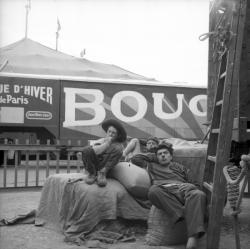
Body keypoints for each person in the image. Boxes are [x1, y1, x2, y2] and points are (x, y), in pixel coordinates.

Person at [131, 142, 206, 249]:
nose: (163, 155)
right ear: (155, 157)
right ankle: (182, 214)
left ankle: (192, 237)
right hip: (163, 190)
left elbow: (196, 185)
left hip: (182, 189)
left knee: (199, 194)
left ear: (171, 156)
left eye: (165, 153)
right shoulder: (152, 166)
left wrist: (191, 186)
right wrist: (154, 155)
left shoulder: (181, 168)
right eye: (160, 154)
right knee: (152, 191)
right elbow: (136, 158)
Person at [81, 119, 127, 187]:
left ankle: (102, 174)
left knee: (118, 149)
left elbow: (114, 161)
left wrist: (103, 171)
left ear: (117, 135)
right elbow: (93, 151)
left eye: (113, 133)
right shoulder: (101, 140)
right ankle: (92, 174)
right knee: (86, 150)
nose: (110, 134)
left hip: (106, 169)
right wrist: (107, 144)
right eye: (109, 131)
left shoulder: (119, 146)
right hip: (94, 166)